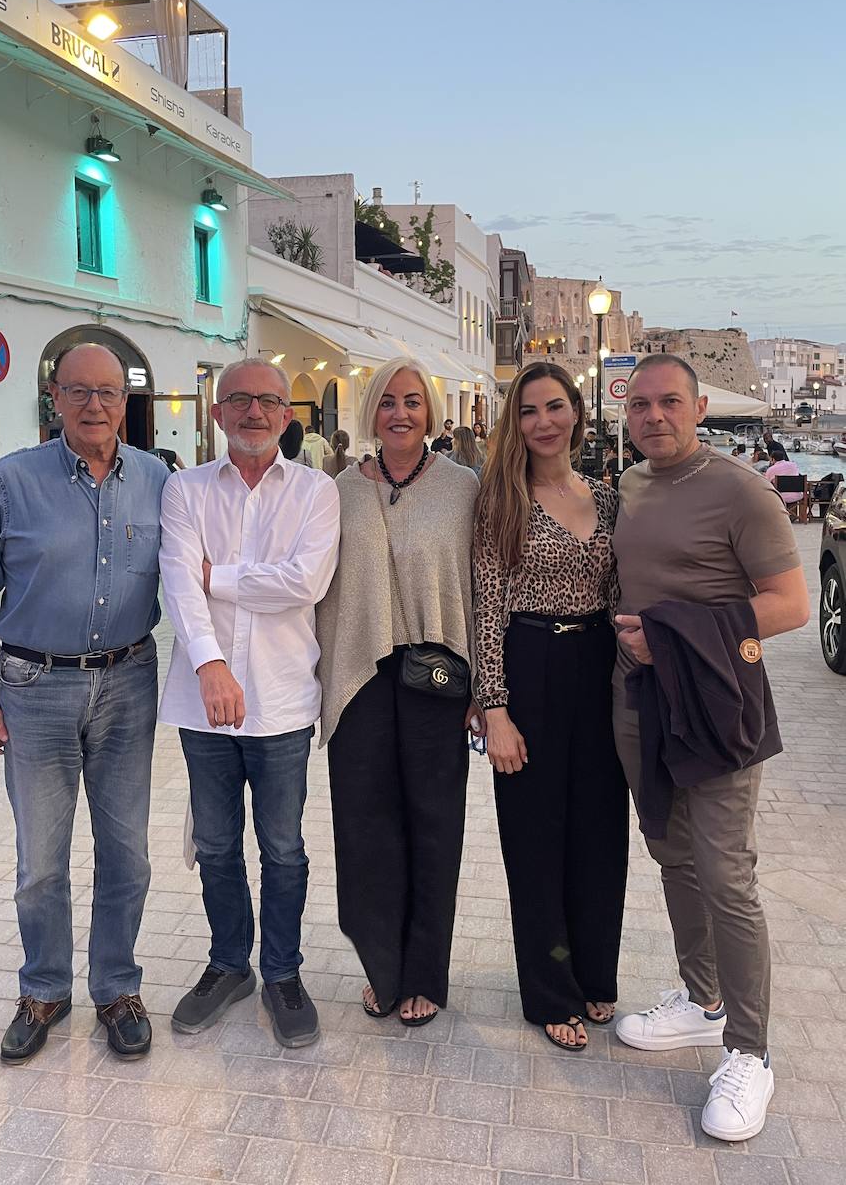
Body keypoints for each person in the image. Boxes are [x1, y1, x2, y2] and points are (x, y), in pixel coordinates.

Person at [0, 344, 168, 1064]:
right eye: (79, 391)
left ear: (125, 400)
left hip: (129, 682)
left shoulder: (159, 482)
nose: (95, 405)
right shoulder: (12, 480)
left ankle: (116, 989)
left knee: (127, 854)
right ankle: (43, 987)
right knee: (40, 862)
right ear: (55, 397)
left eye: (108, 392)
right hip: (35, 689)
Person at [611, 354, 809, 1141]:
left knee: (727, 874)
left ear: (697, 408)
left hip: (718, 705)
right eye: (638, 405)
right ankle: (701, 1001)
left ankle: (750, 1053)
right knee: (672, 855)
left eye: (668, 402)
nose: (653, 416)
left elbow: (791, 605)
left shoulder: (739, 490)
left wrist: (671, 638)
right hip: (640, 704)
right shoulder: (628, 486)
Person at [158, 359, 340, 1049]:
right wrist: (209, 664)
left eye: (268, 401)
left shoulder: (317, 492)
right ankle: (228, 965)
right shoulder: (184, 490)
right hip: (202, 703)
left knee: (283, 848)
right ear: (216, 413)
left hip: (283, 699)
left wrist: (219, 576)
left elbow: (304, 583)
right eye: (240, 400)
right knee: (214, 844)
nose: (254, 412)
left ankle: (283, 972)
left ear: (287, 416)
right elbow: (179, 582)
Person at [317, 357, 478, 1027]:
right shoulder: (336, 490)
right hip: (358, 677)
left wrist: (485, 686)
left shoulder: (463, 488)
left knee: (433, 830)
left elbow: (483, 586)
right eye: (387, 401)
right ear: (371, 412)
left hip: (436, 680)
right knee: (363, 832)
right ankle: (382, 968)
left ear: (431, 411)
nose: (400, 413)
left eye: (412, 401)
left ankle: (424, 977)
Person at [473, 361, 627, 1051]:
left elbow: (623, 595)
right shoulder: (499, 500)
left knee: (600, 834)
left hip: (598, 670)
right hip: (528, 665)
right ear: (515, 423)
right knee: (534, 841)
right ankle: (548, 993)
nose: (543, 422)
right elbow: (486, 608)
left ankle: (595, 974)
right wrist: (493, 706)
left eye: (554, 407)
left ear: (576, 414)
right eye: (528, 410)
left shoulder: (608, 497)